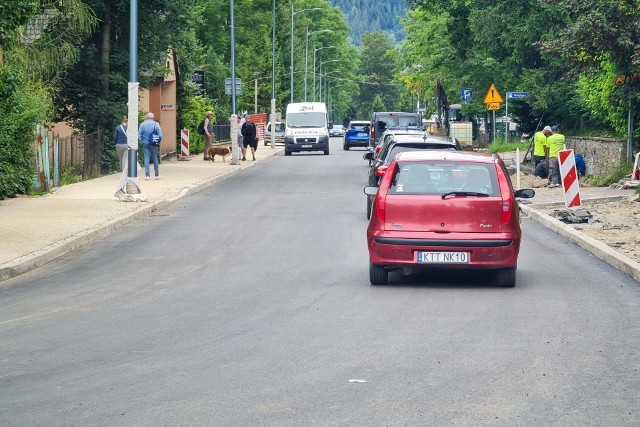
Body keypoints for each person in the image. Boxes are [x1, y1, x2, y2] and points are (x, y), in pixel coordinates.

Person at [138, 112, 162, 180]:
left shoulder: (142, 124)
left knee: (146, 158)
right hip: (154, 143)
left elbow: (139, 135)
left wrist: (141, 141)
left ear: (147, 117)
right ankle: (157, 175)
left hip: (145, 143)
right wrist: (158, 141)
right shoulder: (156, 124)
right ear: (153, 117)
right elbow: (160, 134)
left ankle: (147, 175)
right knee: (155, 157)